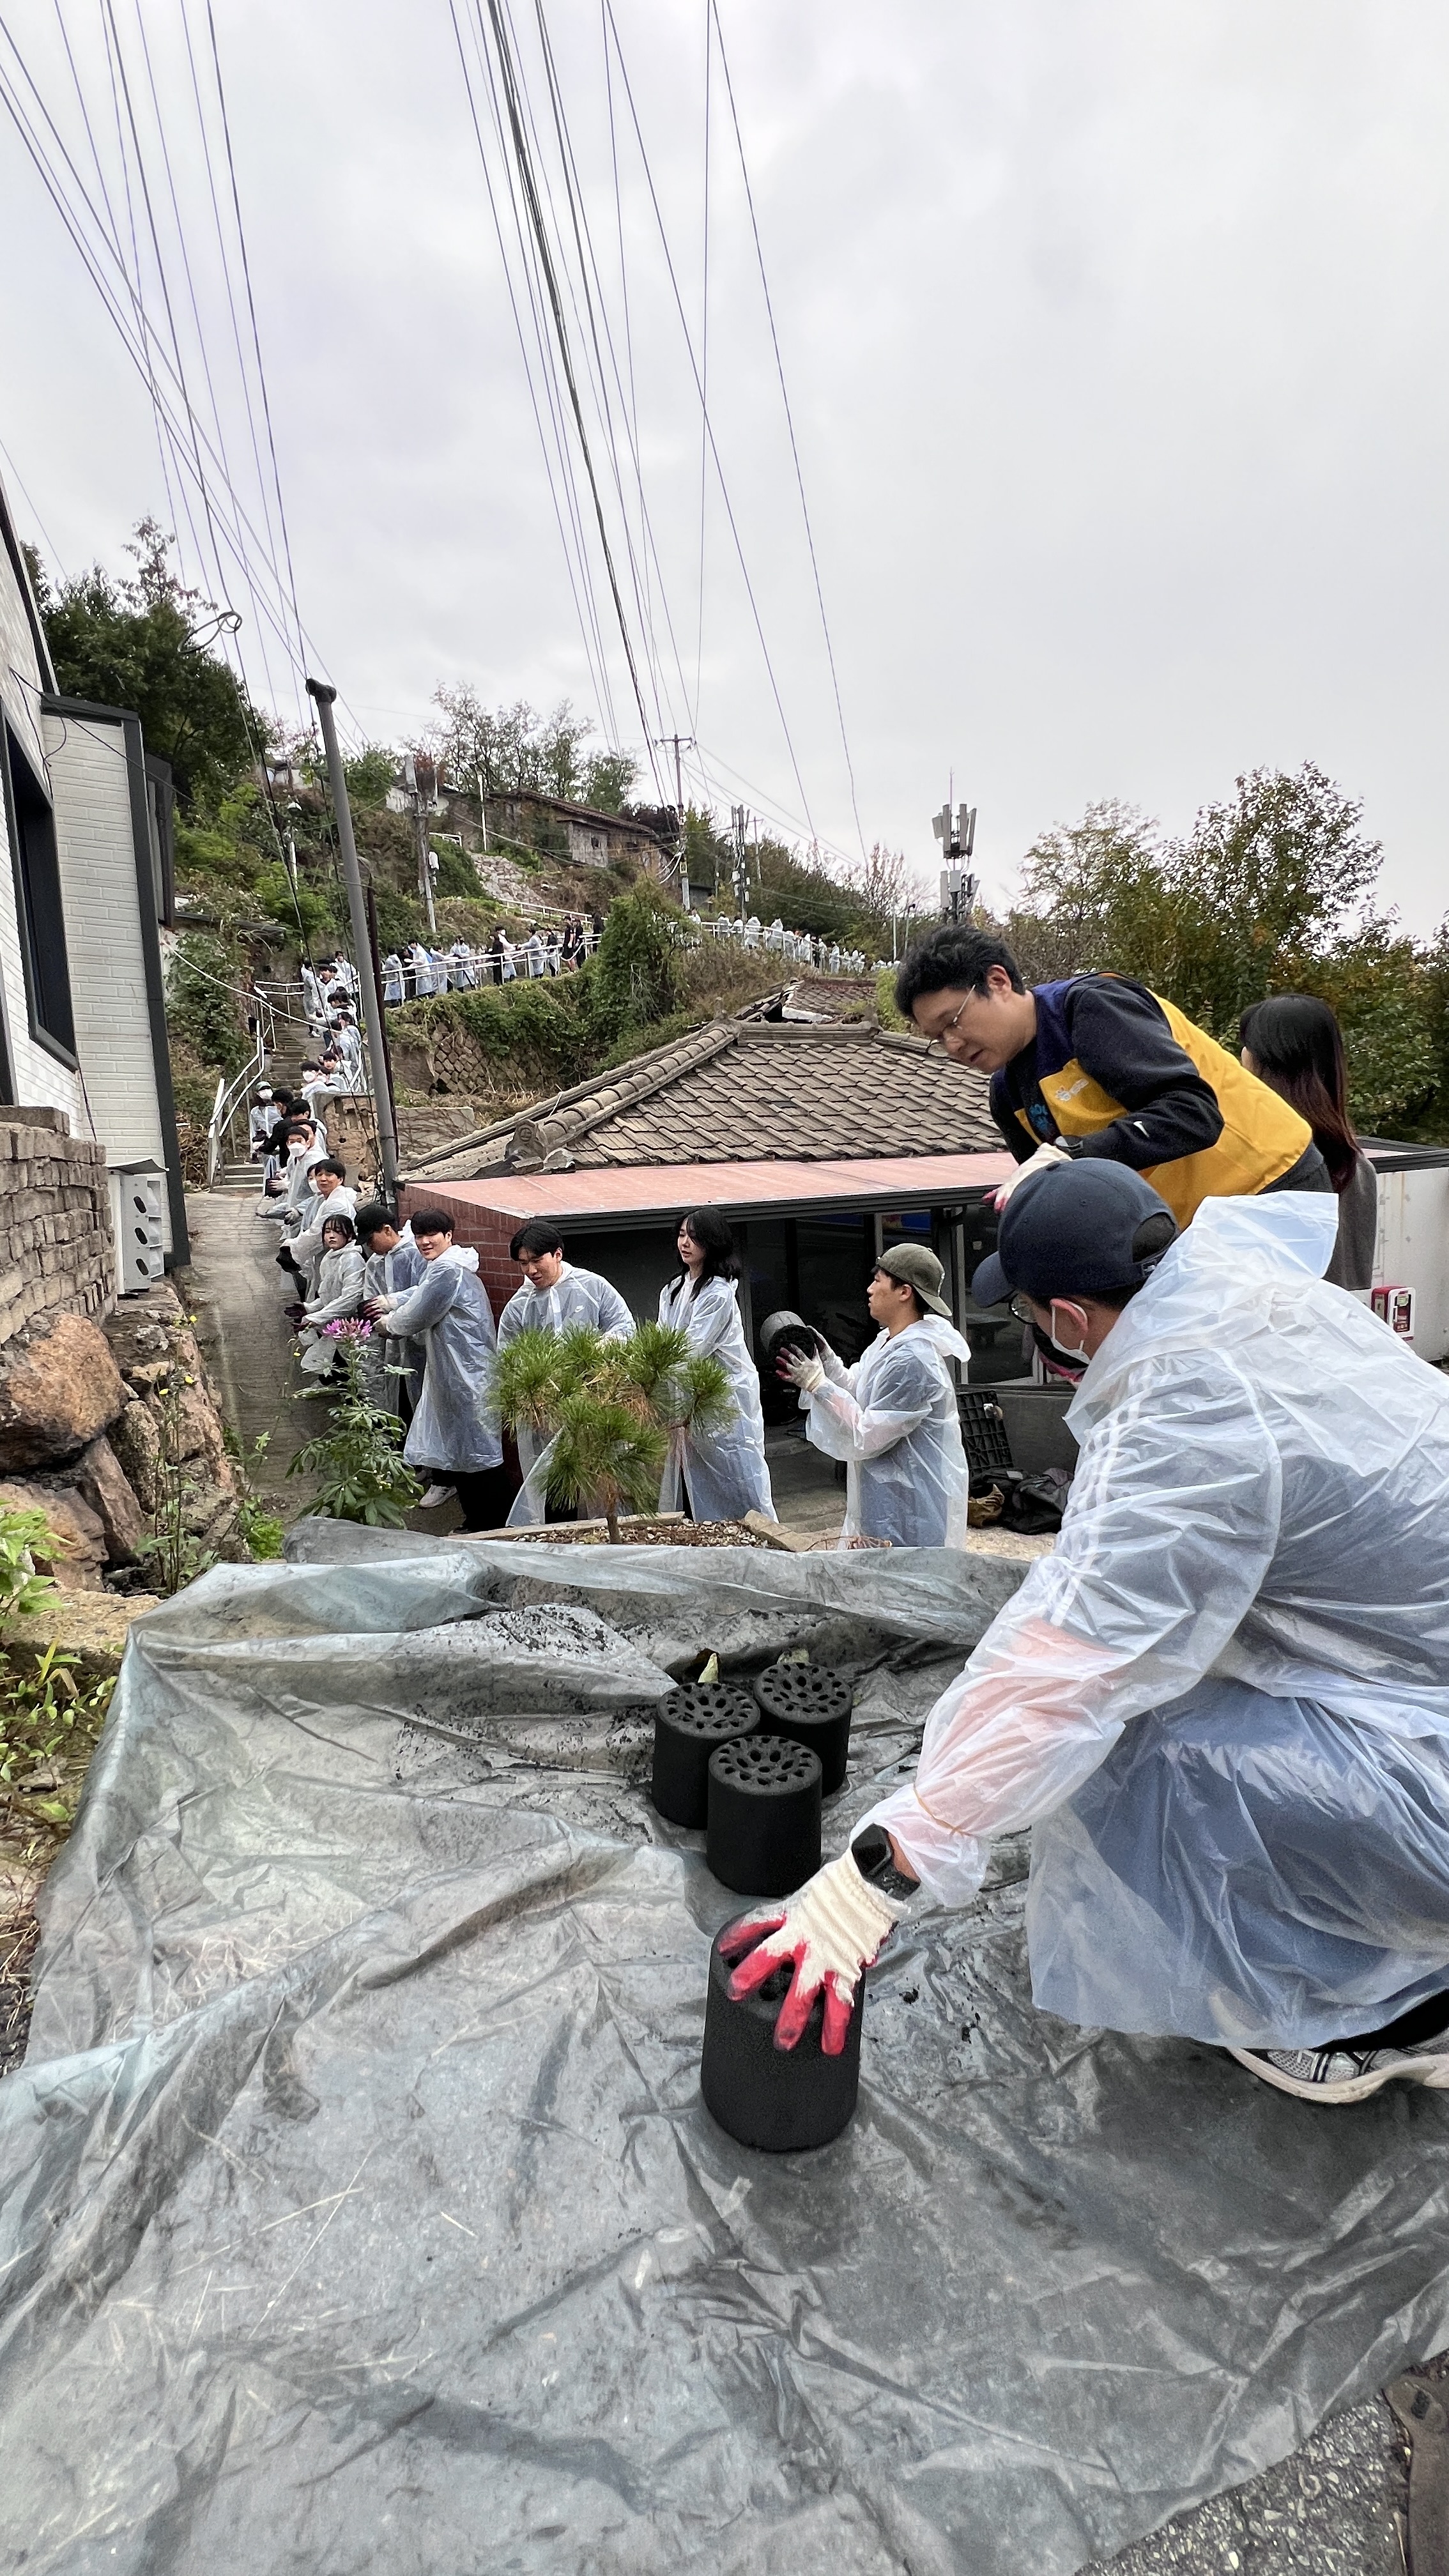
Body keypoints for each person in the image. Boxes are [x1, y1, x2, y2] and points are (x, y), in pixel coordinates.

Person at [724, 1156, 1449, 2106]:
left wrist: (889, 1865)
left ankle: (1391, 2013)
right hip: (1403, 1688)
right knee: (1143, 1692)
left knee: (1125, 1744)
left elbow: (1068, 1665)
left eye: (1027, 1314)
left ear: (1066, 1318)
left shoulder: (1192, 1411)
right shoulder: (1260, 1305)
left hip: (1421, 1773)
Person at [896, 926, 1330, 1225]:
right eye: (937, 1038)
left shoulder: (1091, 1006)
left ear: (998, 981)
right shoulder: (1006, 1092)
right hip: (1191, 1224)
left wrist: (1075, 1154)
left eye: (953, 1021)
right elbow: (1065, 1191)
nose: (952, 1046)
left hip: (1271, 1183)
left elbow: (1194, 1113)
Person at [779, 1245, 972, 1547]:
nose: (870, 1289)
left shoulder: (914, 1360)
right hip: (884, 1490)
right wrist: (827, 1363)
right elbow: (859, 1387)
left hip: (912, 1497)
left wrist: (819, 1385)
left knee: (906, 1580)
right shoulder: (888, 1341)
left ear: (904, 1292)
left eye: (878, 1280)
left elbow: (866, 1433)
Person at [365, 1208, 510, 1529]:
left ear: (449, 1235)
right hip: (457, 1370)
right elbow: (421, 1294)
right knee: (463, 1449)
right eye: (418, 1235)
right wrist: (393, 1301)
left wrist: (388, 1322)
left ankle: (488, 1523)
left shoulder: (448, 1270)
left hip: (467, 1373)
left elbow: (418, 1313)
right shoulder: (447, 1266)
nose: (424, 1242)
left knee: (477, 1455)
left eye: (431, 1234)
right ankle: (479, 1519)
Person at [1239, 993, 1377, 1293]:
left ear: (1265, 1064)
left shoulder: (1259, 1163)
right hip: (1339, 1334)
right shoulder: (1357, 1167)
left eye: (1247, 1047)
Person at [498, 1220, 634, 1522]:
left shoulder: (592, 1286)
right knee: (557, 1481)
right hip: (547, 1413)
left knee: (603, 1477)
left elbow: (624, 1327)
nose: (530, 1271)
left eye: (536, 1261)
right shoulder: (519, 1307)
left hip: (595, 1402)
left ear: (557, 1254)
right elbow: (507, 1359)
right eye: (523, 1264)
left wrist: (596, 1351)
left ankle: (607, 1533)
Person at [657, 1209, 775, 1523]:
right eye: (681, 1234)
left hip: (724, 1396)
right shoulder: (671, 1290)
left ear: (712, 1242)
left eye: (694, 1236)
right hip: (689, 1396)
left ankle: (759, 1533)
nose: (685, 1243)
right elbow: (661, 1342)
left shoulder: (718, 1293)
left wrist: (654, 1370)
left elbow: (690, 1351)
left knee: (737, 1469)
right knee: (694, 1473)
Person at [355, 1202, 425, 1425]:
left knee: (423, 1396)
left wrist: (393, 1304)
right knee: (399, 1397)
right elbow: (371, 1299)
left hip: (420, 1341)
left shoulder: (416, 1254)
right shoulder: (375, 1264)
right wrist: (377, 1315)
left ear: (387, 1230)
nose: (369, 1247)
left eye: (370, 1240)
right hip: (391, 1343)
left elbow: (427, 1292)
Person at [296, 1213, 366, 1375]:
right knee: (340, 1364)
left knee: (358, 1368)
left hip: (353, 1324)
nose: (331, 1236)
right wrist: (309, 1308)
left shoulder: (352, 1260)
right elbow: (329, 1295)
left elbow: (349, 1299)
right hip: (338, 1323)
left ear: (349, 1235)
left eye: (337, 1231)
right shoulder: (330, 1258)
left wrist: (316, 1317)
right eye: (327, 1232)